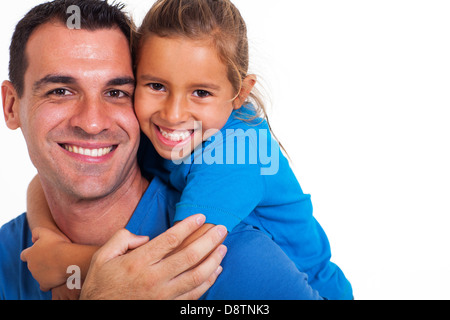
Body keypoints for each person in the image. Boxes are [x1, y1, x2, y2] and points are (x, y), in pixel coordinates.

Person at [22, 0, 352, 300]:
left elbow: (183, 260)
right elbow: (42, 181)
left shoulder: (239, 152)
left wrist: (68, 262)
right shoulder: (164, 135)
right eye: (156, 86)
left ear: (239, 94)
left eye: (201, 92)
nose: (173, 113)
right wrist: (46, 236)